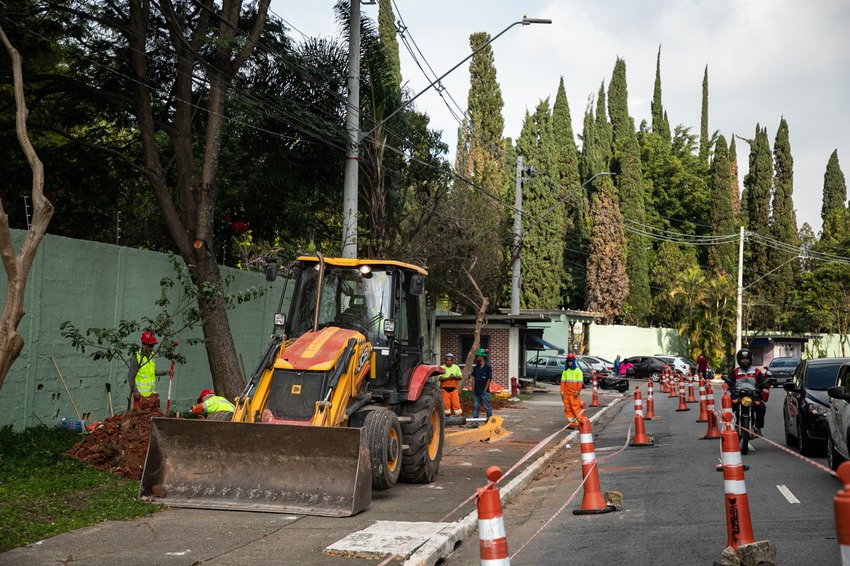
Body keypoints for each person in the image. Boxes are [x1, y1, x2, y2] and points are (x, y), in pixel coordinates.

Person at [723, 348, 769, 434]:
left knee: (761, 407)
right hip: (737, 394)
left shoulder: (756, 371)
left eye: (746, 359)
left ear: (750, 359)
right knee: (730, 406)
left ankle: (758, 427)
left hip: (753, 394)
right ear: (739, 360)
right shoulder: (735, 372)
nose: (745, 361)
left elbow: (762, 382)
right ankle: (731, 426)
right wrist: (726, 385)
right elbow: (729, 381)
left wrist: (764, 388)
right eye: (742, 359)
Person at [127, 331, 168, 409]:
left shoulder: (151, 356)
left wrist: (165, 372)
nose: (152, 348)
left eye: (152, 346)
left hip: (151, 396)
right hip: (140, 396)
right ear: (144, 345)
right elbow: (130, 376)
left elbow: (152, 372)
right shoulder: (137, 357)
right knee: (138, 418)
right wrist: (135, 391)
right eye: (150, 346)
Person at [560, 353, 584, 429]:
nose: (569, 362)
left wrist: (577, 392)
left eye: (571, 361)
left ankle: (580, 423)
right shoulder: (565, 371)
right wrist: (562, 392)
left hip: (574, 394)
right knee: (567, 409)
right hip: (566, 394)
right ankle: (571, 424)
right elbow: (562, 383)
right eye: (568, 361)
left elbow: (580, 383)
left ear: (573, 361)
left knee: (575, 409)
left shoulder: (578, 371)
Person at [471, 348, 493, 422]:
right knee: (476, 406)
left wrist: (484, 390)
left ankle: (490, 422)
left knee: (487, 407)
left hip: (484, 392)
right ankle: (475, 423)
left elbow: (489, 379)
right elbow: (473, 377)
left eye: (478, 356)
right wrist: (473, 389)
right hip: (476, 391)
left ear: (482, 357)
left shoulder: (488, 367)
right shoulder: (476, 367)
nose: (477, 358)